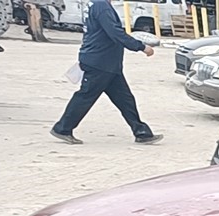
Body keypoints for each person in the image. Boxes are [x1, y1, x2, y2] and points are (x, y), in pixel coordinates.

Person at [51, 0, 162, 145]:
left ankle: (142, 132)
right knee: (85, 96)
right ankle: (63, 128)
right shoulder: (101, 6)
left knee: (125, 99)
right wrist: (141, 47)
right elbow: (115, 33)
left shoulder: (96, 4)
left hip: (108, 63)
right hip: (99, 62)